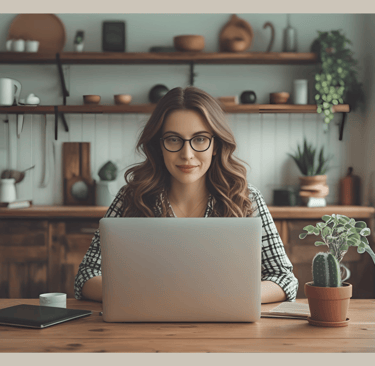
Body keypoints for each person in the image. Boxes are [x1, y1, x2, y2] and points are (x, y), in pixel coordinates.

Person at [74, 86, 298, 304]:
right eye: (173, 139)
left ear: (216, 145)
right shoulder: (131, 197)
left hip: (224, 328)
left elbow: (284, 278)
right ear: (158, 145)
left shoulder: (246, 198)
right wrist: (150, 297)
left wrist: (229, 297)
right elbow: (86, 275)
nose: (187, 154)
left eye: (200, 139)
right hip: (146, 329)